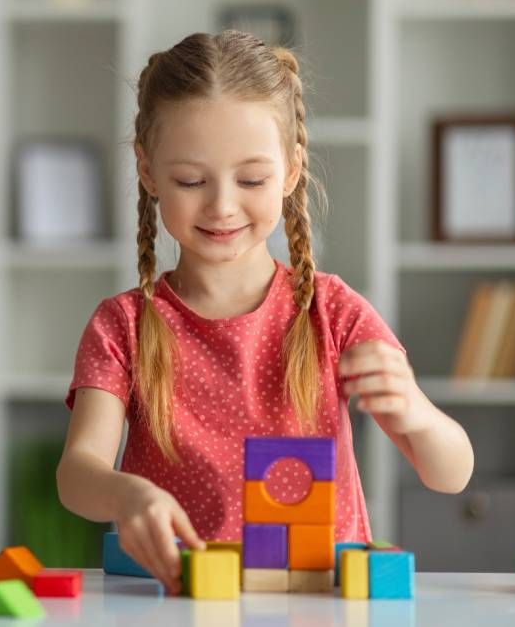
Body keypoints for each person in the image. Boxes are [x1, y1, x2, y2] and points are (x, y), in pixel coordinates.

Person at [55, 30, 474, 594]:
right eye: (190, 180)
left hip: (318, 604)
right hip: (180, 603)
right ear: (148, 170)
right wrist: (130, 493)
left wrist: (416, 412)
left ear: (292, 170)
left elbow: (451, 474)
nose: (222, 205)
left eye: (251, 179)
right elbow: (77, 475)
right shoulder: (123, 325)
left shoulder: (333, 312)